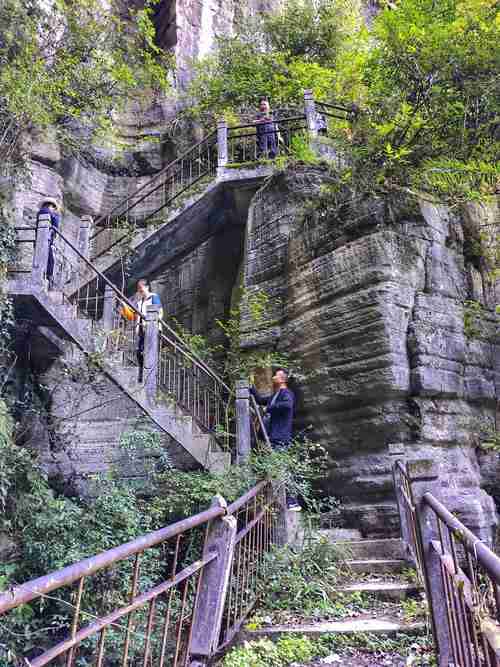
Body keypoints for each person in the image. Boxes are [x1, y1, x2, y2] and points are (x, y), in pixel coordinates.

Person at [250, 368, 301, 511]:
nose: (273, 377)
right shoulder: (275, 395)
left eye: (276, 375)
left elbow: (287, 405)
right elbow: (260, 400)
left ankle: (293, 502)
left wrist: (269, 409)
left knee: (283, 468)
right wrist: (250, 387)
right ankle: (277, 500)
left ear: (283, 379)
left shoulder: (286, 393)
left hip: (280, 436)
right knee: (274, 468)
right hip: (273, 437)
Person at [135, 279, 163, 383]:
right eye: (138, 288)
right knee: (139, 352)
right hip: (143, 331)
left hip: (153, 329)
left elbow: (159, 312)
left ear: (147, 287)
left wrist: (151, 322)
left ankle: (151, 376)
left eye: (140, 287)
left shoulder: (154, 297)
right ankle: (142, 373)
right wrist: (137, 326)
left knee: (151, 352)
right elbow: (138, 316)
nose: (139, 290)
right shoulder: (140, 302)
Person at [37, 198, 61, 288]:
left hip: (43, 239)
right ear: (51, 206)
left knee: (47, 260)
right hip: (45, 240)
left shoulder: (41, 211)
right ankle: (47, 280)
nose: (54, 210)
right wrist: (56, 216)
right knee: (50, 261)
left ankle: (47, 279)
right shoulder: (46, 211)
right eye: (54, 208)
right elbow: (56, 224)